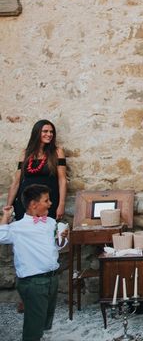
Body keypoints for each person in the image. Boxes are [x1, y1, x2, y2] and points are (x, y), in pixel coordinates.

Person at [0, 184, 68, 341]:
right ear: (33, 204)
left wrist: (62, 238)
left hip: (51, 278)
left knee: (44, 322)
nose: (50, 203)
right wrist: (6, 216)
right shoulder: (18, 228)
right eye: (47, 200)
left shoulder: (50, 222)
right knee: (33, 326)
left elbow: (56, 246)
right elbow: (1, 236)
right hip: (34, 282)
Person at [6, 120, 68, 221]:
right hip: (26, 202)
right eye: (45, 131)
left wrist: (61, 204)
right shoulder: (25, 153)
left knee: (46, 232)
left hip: (48, 201)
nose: (49, 134)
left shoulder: (57, 152)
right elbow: (16, 182)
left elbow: (62, 180)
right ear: (37, 132)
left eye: (51, 132)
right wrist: (8, 207)